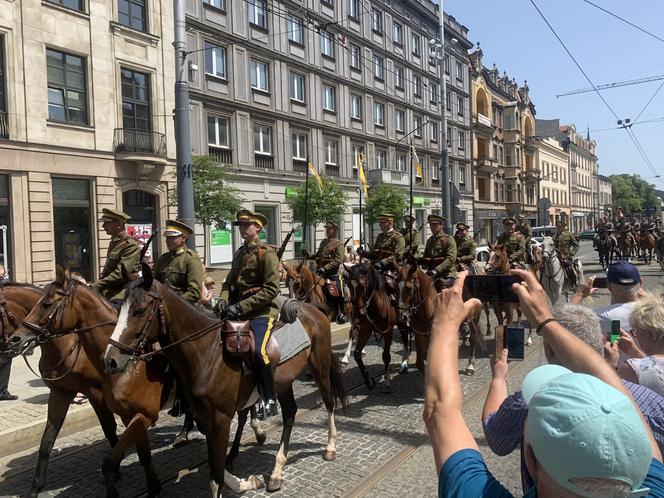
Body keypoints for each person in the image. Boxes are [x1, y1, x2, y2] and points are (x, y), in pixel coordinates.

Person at [426, 269, 664, 498]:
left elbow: (440, 409)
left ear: (530, 457)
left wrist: (444, 324)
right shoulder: (657, 489)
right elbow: (613, 386)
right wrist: (544, 318)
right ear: (641, 457)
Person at [483, 303, 664, 492]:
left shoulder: (529, 402)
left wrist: (498, 377)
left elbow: (495, 434)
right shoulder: (655, 403)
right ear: (602, 341)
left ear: (548, 349)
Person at [218, 210, 281, 419]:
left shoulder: (267, 254)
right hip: (236, 309)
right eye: (240, 226)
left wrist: (241, 307)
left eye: (247, 225)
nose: (243, 229)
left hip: (261, 312)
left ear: (258, 228)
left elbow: (271, 290)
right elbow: (228, 282)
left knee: (257, 352)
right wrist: (223, 299)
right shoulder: (240, 253)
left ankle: (270, 398)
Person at [608, 293, 664, 397]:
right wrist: (636, 353)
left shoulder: (632, 369)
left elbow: (611, 396)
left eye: (635, 331)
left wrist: (610, 365)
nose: (635, 335)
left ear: (646, 333)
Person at [572, 261, 643, 340]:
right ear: (641, 282)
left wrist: (579, 295)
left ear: (608, 286)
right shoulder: (655, 312)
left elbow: (561, 325)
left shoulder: (596, 315)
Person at [90, 208, 140, 300]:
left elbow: (120, 274)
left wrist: (96, 285)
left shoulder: (130, 245)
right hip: (110, 290)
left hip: (124, 291)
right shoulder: (115, 242)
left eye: (107, 223)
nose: (103, 226)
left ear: (119, 224)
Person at [153, 220, 204, 305]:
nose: (167, 240)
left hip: (183, 307)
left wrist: (172, 302)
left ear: (183, 238)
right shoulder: (163, 258)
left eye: (172, 237)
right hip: (162, 305)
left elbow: (194, 292)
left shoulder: (191, 258)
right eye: (167, 237)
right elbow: (155, 283)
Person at [312, 220, 347, 325]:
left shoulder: (339, 244)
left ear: (334, 231)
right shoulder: (323, 242)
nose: (327, 231)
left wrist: (325, 268)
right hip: (321, 273)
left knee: (339, 291)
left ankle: (342, 313)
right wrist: (308, 254)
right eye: (327, 229)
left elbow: (338, 260)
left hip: (333, 274)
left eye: (330, 229)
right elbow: (318, 255)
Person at [419, 215, 457, 282]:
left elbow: (451, 259)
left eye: (435, 225)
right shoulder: (429, 240)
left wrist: (437, 270)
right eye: (431, 225)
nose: (432, 227)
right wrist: (418, 260)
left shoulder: (449, 239)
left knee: (443, 288)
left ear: (441, 225)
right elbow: (426, 257)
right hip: (431, 273)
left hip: (446, 274)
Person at [553, 219, 579, 287]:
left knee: (569, 269)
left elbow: (576, 245)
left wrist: (572, 254)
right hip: (556, 257)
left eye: (559, 227)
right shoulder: (554, 236)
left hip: (566, 257)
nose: (558, 228)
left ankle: (573, 283)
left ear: (563, 227)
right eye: (557, 227)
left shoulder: (569, 234)